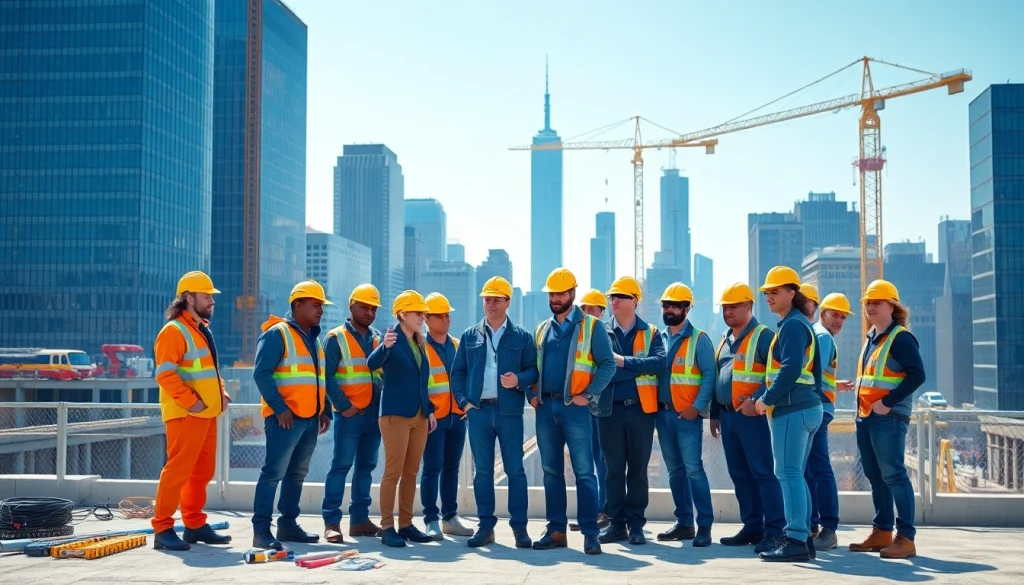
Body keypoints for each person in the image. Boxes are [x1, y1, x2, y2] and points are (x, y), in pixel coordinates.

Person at [530, 269, 616, 554]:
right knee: (551, 471)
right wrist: (532, 394)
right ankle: (556, 530)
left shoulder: (592, 327)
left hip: (575, 409)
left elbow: (608, 365)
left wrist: (589, 395)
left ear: (572, 294)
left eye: (560, 294)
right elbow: (534, 367)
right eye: (552, 294)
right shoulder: (542, 329)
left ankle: (590, 533)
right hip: (545, 408)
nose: (555, 299)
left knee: (584, 473)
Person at [451, 276, 538, 549]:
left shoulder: (522, 337)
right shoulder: (469, 336)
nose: (490, 303)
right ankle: (485, 527)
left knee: (515, 471)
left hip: (510, 412)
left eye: (496, 299)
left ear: (507, 302)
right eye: (487, 299)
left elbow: (534, 370)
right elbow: (458, 373)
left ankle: (520, 530)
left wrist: (520, 380)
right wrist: (465, 403)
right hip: (478, 412)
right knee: (483, 473)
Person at [151, 271, 232, 551]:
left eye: (211, 296)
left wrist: (221, 394)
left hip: (206, 413)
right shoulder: (174, 331)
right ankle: (162, 528)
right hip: (186, 413)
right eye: (207, 295)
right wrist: (192, 402)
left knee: (202, 472)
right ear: (188, 297)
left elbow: (210, 370)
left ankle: (195, 525)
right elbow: (165, 374)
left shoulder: (200, 330)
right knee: (178, 471)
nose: (212, 300)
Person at [251, 281, 332, 550]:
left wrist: (325, 410)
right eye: (316, 304)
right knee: (273, 472)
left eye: (322, 305)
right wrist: (279, 408)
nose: (321, 309)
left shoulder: (313, 339)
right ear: (298, 305)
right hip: (285, 418)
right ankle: (261, 530)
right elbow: (261, 373)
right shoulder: (277, 334)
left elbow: (319, 378)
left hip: (309, 418)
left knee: (297, 474)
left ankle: (288, 524)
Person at [848, 280, 925, 560]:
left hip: (887, 417)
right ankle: (882, 531)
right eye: (867, 302)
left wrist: (887, 403)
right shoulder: (872, 336)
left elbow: (917, 375)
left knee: (893, 474)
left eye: (876, 302)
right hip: (866, 416)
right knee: (874, 475)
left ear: (892, 306)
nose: (870, 306)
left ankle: (906, 537)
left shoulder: (900, 338)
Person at [709, 282, 786, 554]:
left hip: (754, 417)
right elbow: (720, 379)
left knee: (763, 473)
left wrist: (757, 402)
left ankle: (775, 531)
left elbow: (777, 376)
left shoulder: (764, 336)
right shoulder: (725, 339)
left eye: (733, 307)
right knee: (740, 474)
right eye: (725, 307)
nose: (728, 312)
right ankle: (752, 526)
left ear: (749, 307)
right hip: (729, 418)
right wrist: (715, 414)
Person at [753, 266, 823, 562]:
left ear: (791, 294)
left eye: (775, 292)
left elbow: (791, 368)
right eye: (767, 292)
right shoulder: (797, 324)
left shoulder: (793, 326)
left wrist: (765, 399)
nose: (769, 297)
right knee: (796, 475)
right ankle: (802, 537)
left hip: (793, 409)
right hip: (806, 407)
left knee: (788, 473)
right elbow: (814, 373)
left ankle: (795, 539)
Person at [596, 276, 666, 545]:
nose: (613, 301)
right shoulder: (600, 332)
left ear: (634, 301)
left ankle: (636, 525)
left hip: (641, 411)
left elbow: (659, 363)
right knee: (613, 470)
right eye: (611, 296)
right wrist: (635, 369)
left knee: (637, 471)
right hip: (609, 411)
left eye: (620, 296)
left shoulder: (651, 332)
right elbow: (600, 370)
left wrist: (622, 362)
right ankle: (616, 525)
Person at [370, 290, 438, 547]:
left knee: (411, 472)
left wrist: (429, 410)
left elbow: (422, 381)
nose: (423, 317)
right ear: (402, 314)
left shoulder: (420, 342)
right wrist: (384, 348)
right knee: (393, 472)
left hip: (419, 416)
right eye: (418, 313)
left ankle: (406, 524)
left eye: (423, 313)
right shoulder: (390, 339)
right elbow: (371, 363)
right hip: (395, 416)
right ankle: (387, 526)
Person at [321, 284, 385, 543]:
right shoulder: (336, 338)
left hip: (374, 414)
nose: (369, 312)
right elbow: (328, 376)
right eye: (364, 307)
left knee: (366, 468)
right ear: (351, 306)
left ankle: (359, 520)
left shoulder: (377, 337)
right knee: (341, 466)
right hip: (349, 415)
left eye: (373, 308)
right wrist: (343, 406)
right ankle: (331, 522)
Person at [654, 283, 715, 548]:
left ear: (687, 309)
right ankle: (684, 523)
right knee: (674, 471)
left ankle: (704, 526)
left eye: (675, 305)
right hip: (663, 415)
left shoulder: (699, 340)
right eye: (666, 305)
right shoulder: (658, 338)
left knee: (693, 470)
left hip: (687, 417)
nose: (669, 309)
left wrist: (696, 408)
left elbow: (709, 376)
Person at [420, 292, 475, 539]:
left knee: (451, 469)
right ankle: (431, 519)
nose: (446, 319)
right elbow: (418, 384)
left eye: (447, 315)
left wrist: (466, 405)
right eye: (440, 316)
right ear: (427, 319)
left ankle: (450, 518)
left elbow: (466, 376)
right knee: (432, 468)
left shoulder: (456, 344)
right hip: (434, 418)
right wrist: (428, 411)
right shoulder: (419, 346)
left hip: (456, 417)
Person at [804, 290, 853, 551]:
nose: (839, 321)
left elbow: (811, 374)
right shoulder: (822, 336)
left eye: (843, 317)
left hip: (817, 410)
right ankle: (815, 525)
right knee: (813, 470)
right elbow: (815, 373)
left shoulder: (819, 335)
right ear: (822, 312)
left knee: (817, 469)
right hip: (819, 408)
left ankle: (827, 528)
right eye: (835, 314)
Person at [571, 288, 611, 531]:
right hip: (582, 408)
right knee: (585, 463)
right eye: (584, 309)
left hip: (601, 408)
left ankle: (604, 511)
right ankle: (591, 512)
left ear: (602, 312)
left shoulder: (603, 334)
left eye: (592, 309)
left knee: (602, 462)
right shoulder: (577, 334)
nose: (587, 313)